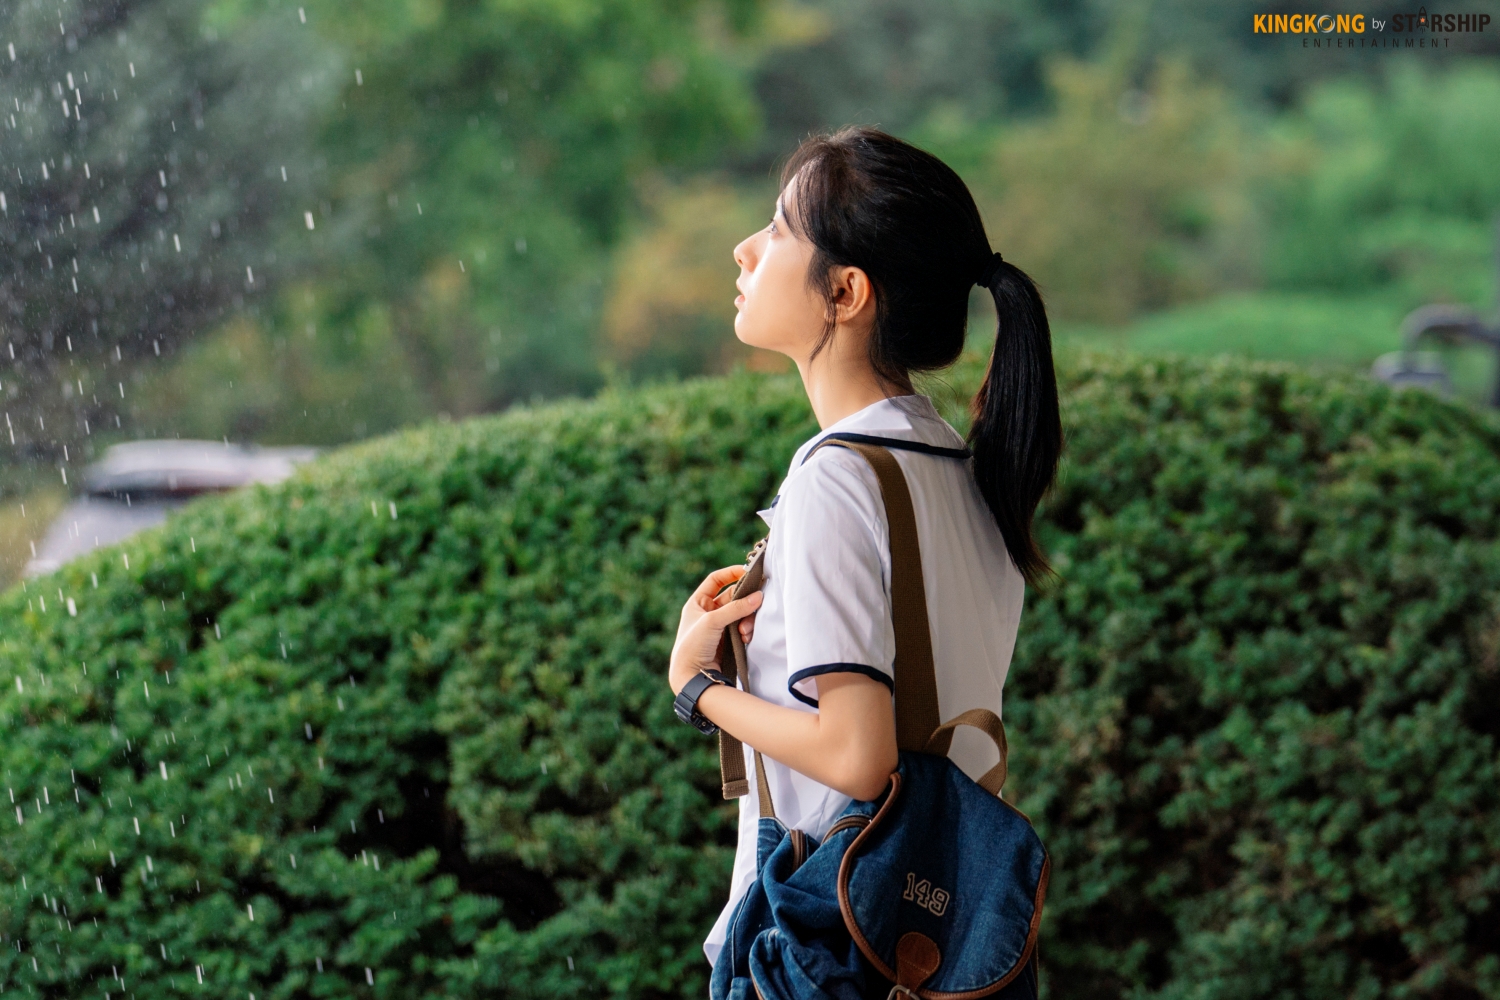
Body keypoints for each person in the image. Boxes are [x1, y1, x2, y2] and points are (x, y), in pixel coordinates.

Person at [663, 126, 1062, 971]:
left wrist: (695, 686)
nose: (744, 249)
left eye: (777, 230)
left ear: (844, 291)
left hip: (831, 939)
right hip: (938, 945)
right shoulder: (959, 468)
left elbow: (857, 755)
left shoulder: (837, 479)